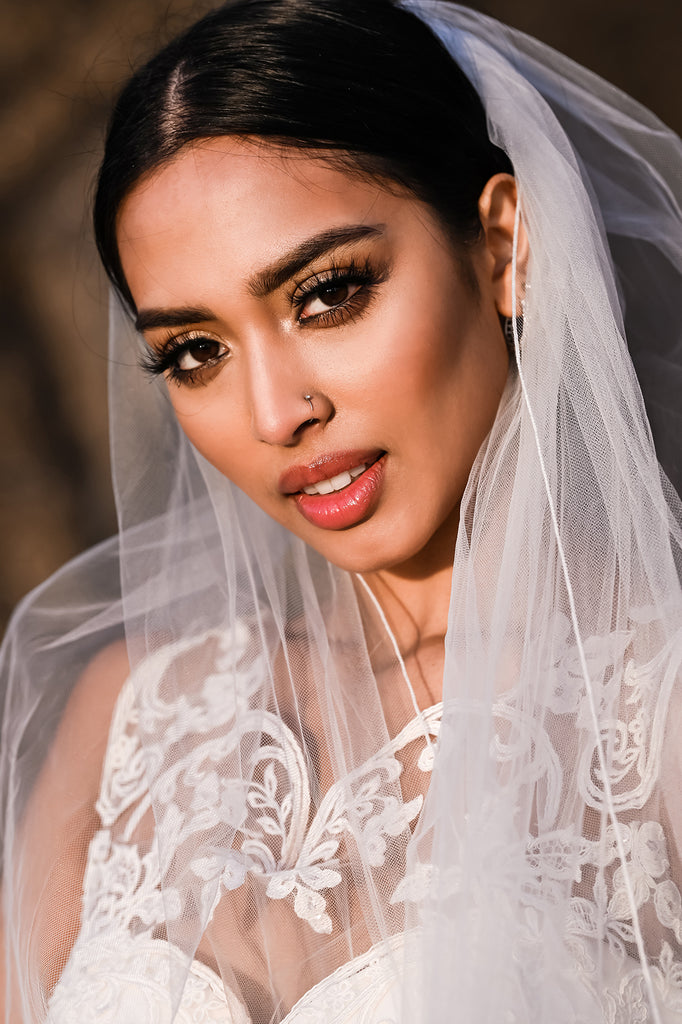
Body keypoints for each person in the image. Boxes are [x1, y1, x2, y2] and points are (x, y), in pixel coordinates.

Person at [1, 0, 681, 1020]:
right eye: (196, 351)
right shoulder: (129, 713)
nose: (278, 413)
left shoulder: (653, 707)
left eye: (326, 294)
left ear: (500, 245)